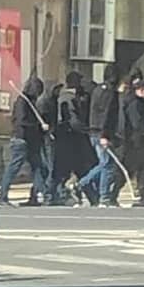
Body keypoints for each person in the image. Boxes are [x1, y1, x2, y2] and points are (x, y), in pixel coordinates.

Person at [0, 76, 48, 207]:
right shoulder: (22, 102)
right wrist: (37, 126)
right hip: (21, 140)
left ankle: (37, 195)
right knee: (13, 168)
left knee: (39, 168)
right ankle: (3, 196)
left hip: (32, 141)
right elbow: (21, 122)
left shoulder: (31, 102)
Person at [75, 65, 120, 207]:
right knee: (107, 164)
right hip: (101, 132)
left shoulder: (97, 90)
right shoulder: (109, 92)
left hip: (94, 131)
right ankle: (99, 194)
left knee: (104, 163)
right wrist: (105, 134)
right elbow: (106, 114)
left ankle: (86, 186)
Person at [53, 72, 96, 205]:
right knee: (73, 169)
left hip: (73, 137)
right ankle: (64, 194)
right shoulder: (67, 98)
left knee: (79, 168)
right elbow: (73, 120)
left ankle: (89, 196)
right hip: (70, 138)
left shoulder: (76, 96)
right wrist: (85, 130)